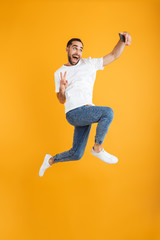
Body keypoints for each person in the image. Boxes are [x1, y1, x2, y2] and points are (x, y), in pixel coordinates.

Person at [39, 32, 132, 177]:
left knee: (77, 154)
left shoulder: (89, 64)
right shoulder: (60, 72)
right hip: (74, 113)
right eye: (75, 48)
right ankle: (97, 148)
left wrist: (122, 40)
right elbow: (61, 100)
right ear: (68, 49)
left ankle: (50, 160)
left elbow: (113, 55)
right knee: (107, 112)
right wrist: (62, 88)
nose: (78, 52)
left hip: (87, 112)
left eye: (81, 49)